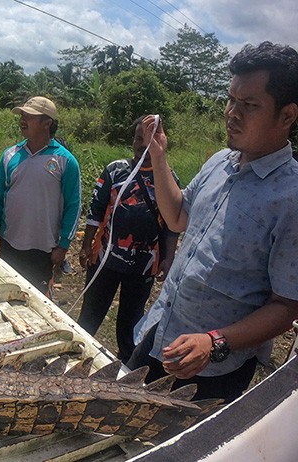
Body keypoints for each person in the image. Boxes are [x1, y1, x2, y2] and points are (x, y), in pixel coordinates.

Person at [128, 42, 298, 403]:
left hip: (211, 369)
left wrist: (215, 341)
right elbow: (178, 216)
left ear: (287, 115)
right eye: (231, 100)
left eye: (249, 105)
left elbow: (286, 306)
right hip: (161, 331)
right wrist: (159, 156)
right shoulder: (220, 161)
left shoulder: (291, 197)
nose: (232, 114)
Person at [76, 116, 180, 364]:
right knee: (90, 314)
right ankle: (75, 355)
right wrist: (86, 245)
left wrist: (168, 257)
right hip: (105, 259)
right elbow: (96, 211)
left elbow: (172, 224)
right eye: (138, 138)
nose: (142, 145)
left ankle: (125, 367)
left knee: (130, 322)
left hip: (144, 265)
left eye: (149, 140)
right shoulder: (115, 170)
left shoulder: (168, 178)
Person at [0, 96, 81, 296]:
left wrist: (63, 245)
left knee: (38, 299)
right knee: (9, 294)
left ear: (47, 123)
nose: (23, 120)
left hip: (44, 248)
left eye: (30, 116)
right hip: (10, 242)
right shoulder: (10, 155)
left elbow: (73, 205)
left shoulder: (65, 160)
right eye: (22, 115)